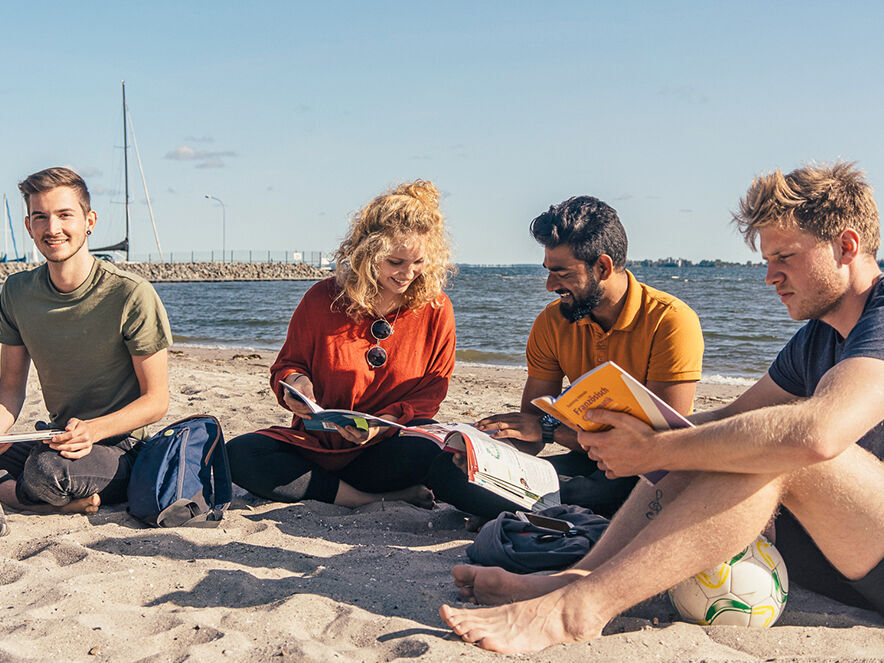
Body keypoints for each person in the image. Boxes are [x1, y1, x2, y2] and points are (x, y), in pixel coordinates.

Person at [439, 162, 884, 653]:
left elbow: (817, 435)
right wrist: (646, 438)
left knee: (775, 449)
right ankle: (578, 578)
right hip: (839, 554)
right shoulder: (815, 340)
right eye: (766, 259)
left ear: (846, 246)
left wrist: (659, 446)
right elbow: (729, 418)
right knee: (723, 441)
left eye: (785, 256)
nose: (769, 277)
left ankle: (580, 610)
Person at [227, 180, 505, 513]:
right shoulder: (322, 299)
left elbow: (432, 388)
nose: (408, 274)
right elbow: (289, 365)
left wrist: (383, 423)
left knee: (438, 449)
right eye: (395, 262)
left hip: (386, 451)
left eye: (418, 262)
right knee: (240, 454)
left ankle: (508, 509)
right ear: (367, 254)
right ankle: (365, 500)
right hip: (317, 448)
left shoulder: (436, 308)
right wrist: (295, 386)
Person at [476, 196, 703, 517]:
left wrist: (552, 431)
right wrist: (489, 453)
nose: (549, 285)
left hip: (646, 468)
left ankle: (527, 507)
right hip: (586, 455)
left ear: (603, 267)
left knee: (604, 488)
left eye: (562, 273)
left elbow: (664, 446)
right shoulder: (552, 321)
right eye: (548, 271)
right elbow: (532, 427)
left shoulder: (671, 321)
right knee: (463, 476)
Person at [0, 167, 172, 531]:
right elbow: (10, 389)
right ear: (29, 225)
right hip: (55, 435)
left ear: (89, 221)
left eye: (65, 215)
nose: (52, 228)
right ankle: (52, 499)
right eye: (41, 217)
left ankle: (16, 496)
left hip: (119, 447)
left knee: (47, 471)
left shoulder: (130, 293)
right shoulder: (16, 293)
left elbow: (156, 400)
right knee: (41, 463)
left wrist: (93, 430)